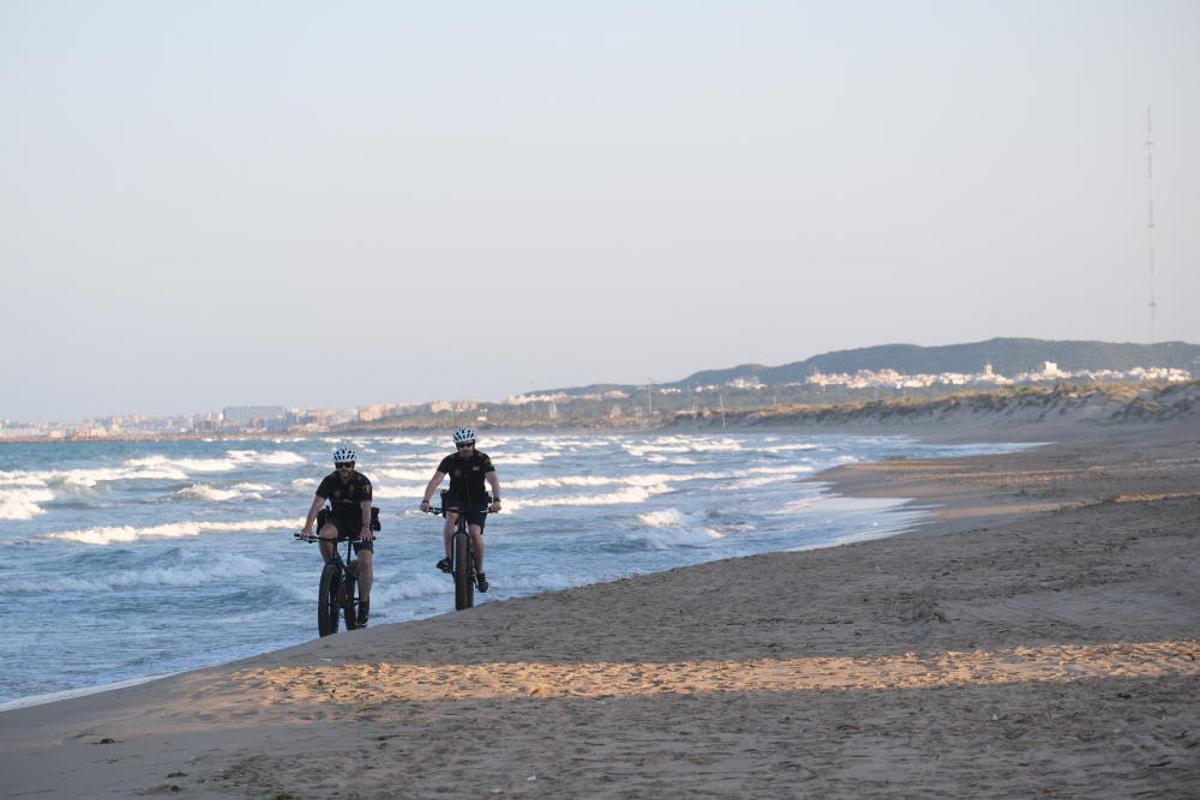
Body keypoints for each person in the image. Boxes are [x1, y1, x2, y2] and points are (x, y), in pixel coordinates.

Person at [300, 445, 375, 625]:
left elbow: (366, 507)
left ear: (353, 464)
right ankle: (335, 572)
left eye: (347, 465)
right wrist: (307, 527)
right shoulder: (329, 481)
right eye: (340, 465)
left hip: (359, 522)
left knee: (365, 561)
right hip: (338, 520)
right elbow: (317, 504)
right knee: (324, 535)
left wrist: (366, 528)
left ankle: (363, 603)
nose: (344, 469)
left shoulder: (363, 482)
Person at [419, 427, 501, 592]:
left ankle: (480, 573)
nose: (465, 448)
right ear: (457, 446)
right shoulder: (449, 460)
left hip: (477, 500)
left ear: (473, 444)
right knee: (451, 516)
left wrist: (497, 500)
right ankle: (449, 559)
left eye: (468, 445)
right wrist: (426, 500)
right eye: (461, 446)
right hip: (455, 497)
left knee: (475, 533)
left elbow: (493, 480)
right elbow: (435, 481)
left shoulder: (483, 459)